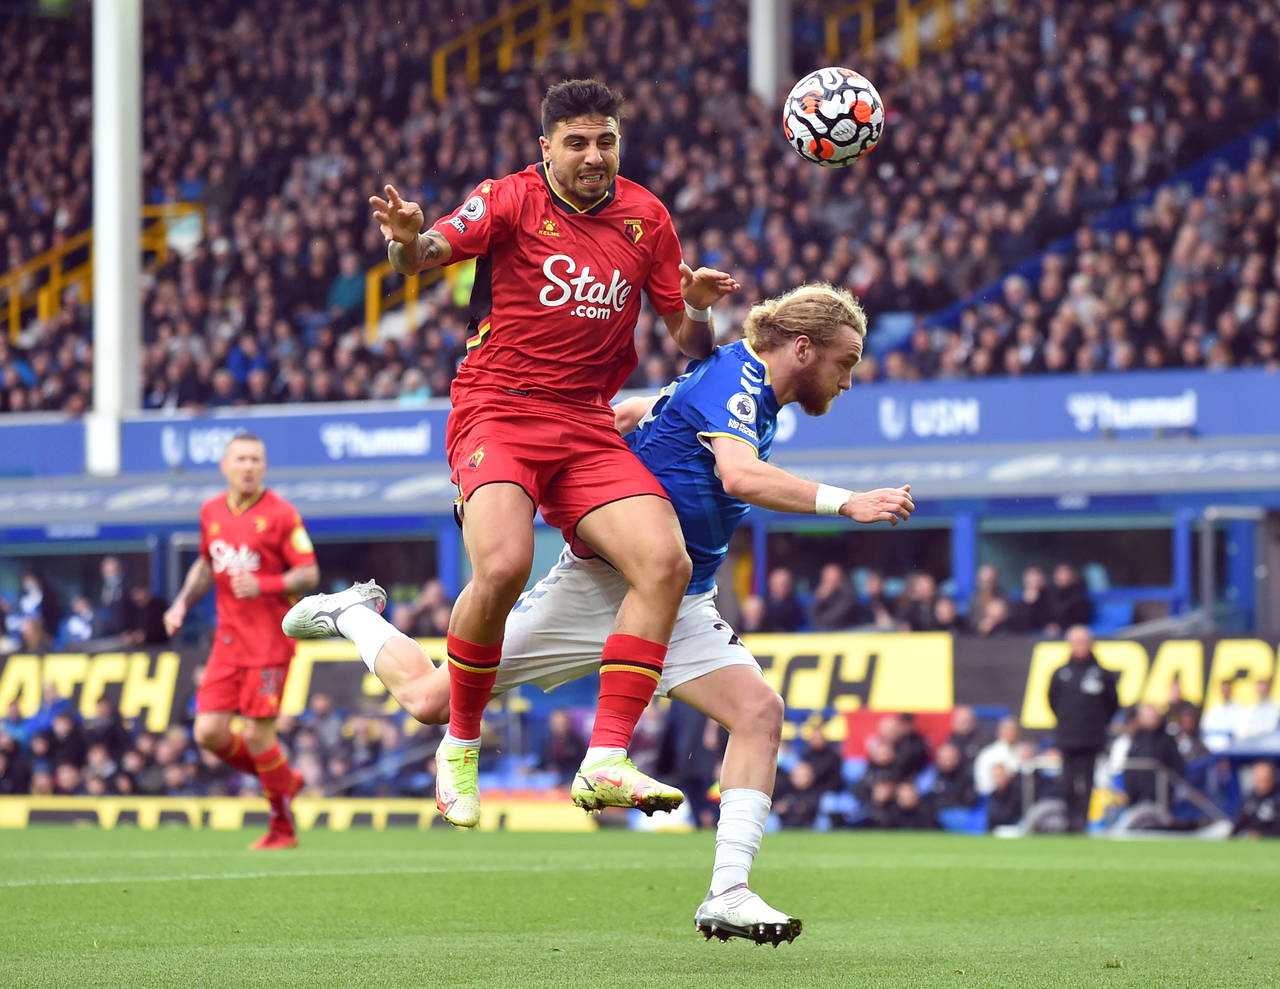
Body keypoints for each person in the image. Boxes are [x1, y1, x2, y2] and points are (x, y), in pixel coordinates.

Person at [285, 282, 915, 943]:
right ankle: (353, 611)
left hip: (680, 597)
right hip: (597, 586)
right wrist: (846, 500)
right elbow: (739, 475)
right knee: (427, 700)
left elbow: (655, 408)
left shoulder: (748, 391)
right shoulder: (741, 372)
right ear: (804, 347)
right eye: (847, 361)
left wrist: (637, 408)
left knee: (759, 712)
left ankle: (729, 889)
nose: (848, 379)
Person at [367, 78, 740, 828]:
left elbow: (690, 345)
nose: (594, 155)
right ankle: (461, 741)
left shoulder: (647, 218)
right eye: (577, 142)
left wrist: (696, 304)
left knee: (665, 563)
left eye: (605, 140)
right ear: (547, 149)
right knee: (501, 567)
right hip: (497, 411)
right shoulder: (510, 199)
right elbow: (426, 254)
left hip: (585, 423)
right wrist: (406, 236)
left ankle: (605, 757)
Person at [163, 432, 319, 849]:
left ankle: (283, 829)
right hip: (228, 643)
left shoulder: (283, 514)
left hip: (270, 642)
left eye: (255, 459)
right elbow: (204, 562)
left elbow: (308, 574)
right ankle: (285, 779)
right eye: (241, 459)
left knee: (256, 735)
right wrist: (180, 604)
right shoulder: (211, 511)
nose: (248, 466)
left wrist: (266, 583)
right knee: (208, 732)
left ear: (264, 466)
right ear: (225, 466)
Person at [1048, 625, 1119, 833]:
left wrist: (1096, 723)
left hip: (1092, 737)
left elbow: (1112, 704)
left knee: (1088, 781)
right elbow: (1052, 701)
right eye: (1075, 642)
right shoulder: (1061, 673)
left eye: (1083, 642)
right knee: (1067, 781)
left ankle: (1083, 822)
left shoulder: (1102, 674)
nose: (1079, 646)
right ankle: (1069, 820)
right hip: (1067, 736)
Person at [1232, 761, 1280, 838]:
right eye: (1258, 779)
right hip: (1248, 839)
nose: (1260, 783)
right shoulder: (1250, 797)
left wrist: (1262, 835)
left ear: (1272, 778)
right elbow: (1239, 821)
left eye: (1264, 780)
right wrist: (1230, 834)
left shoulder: (1277, 798)